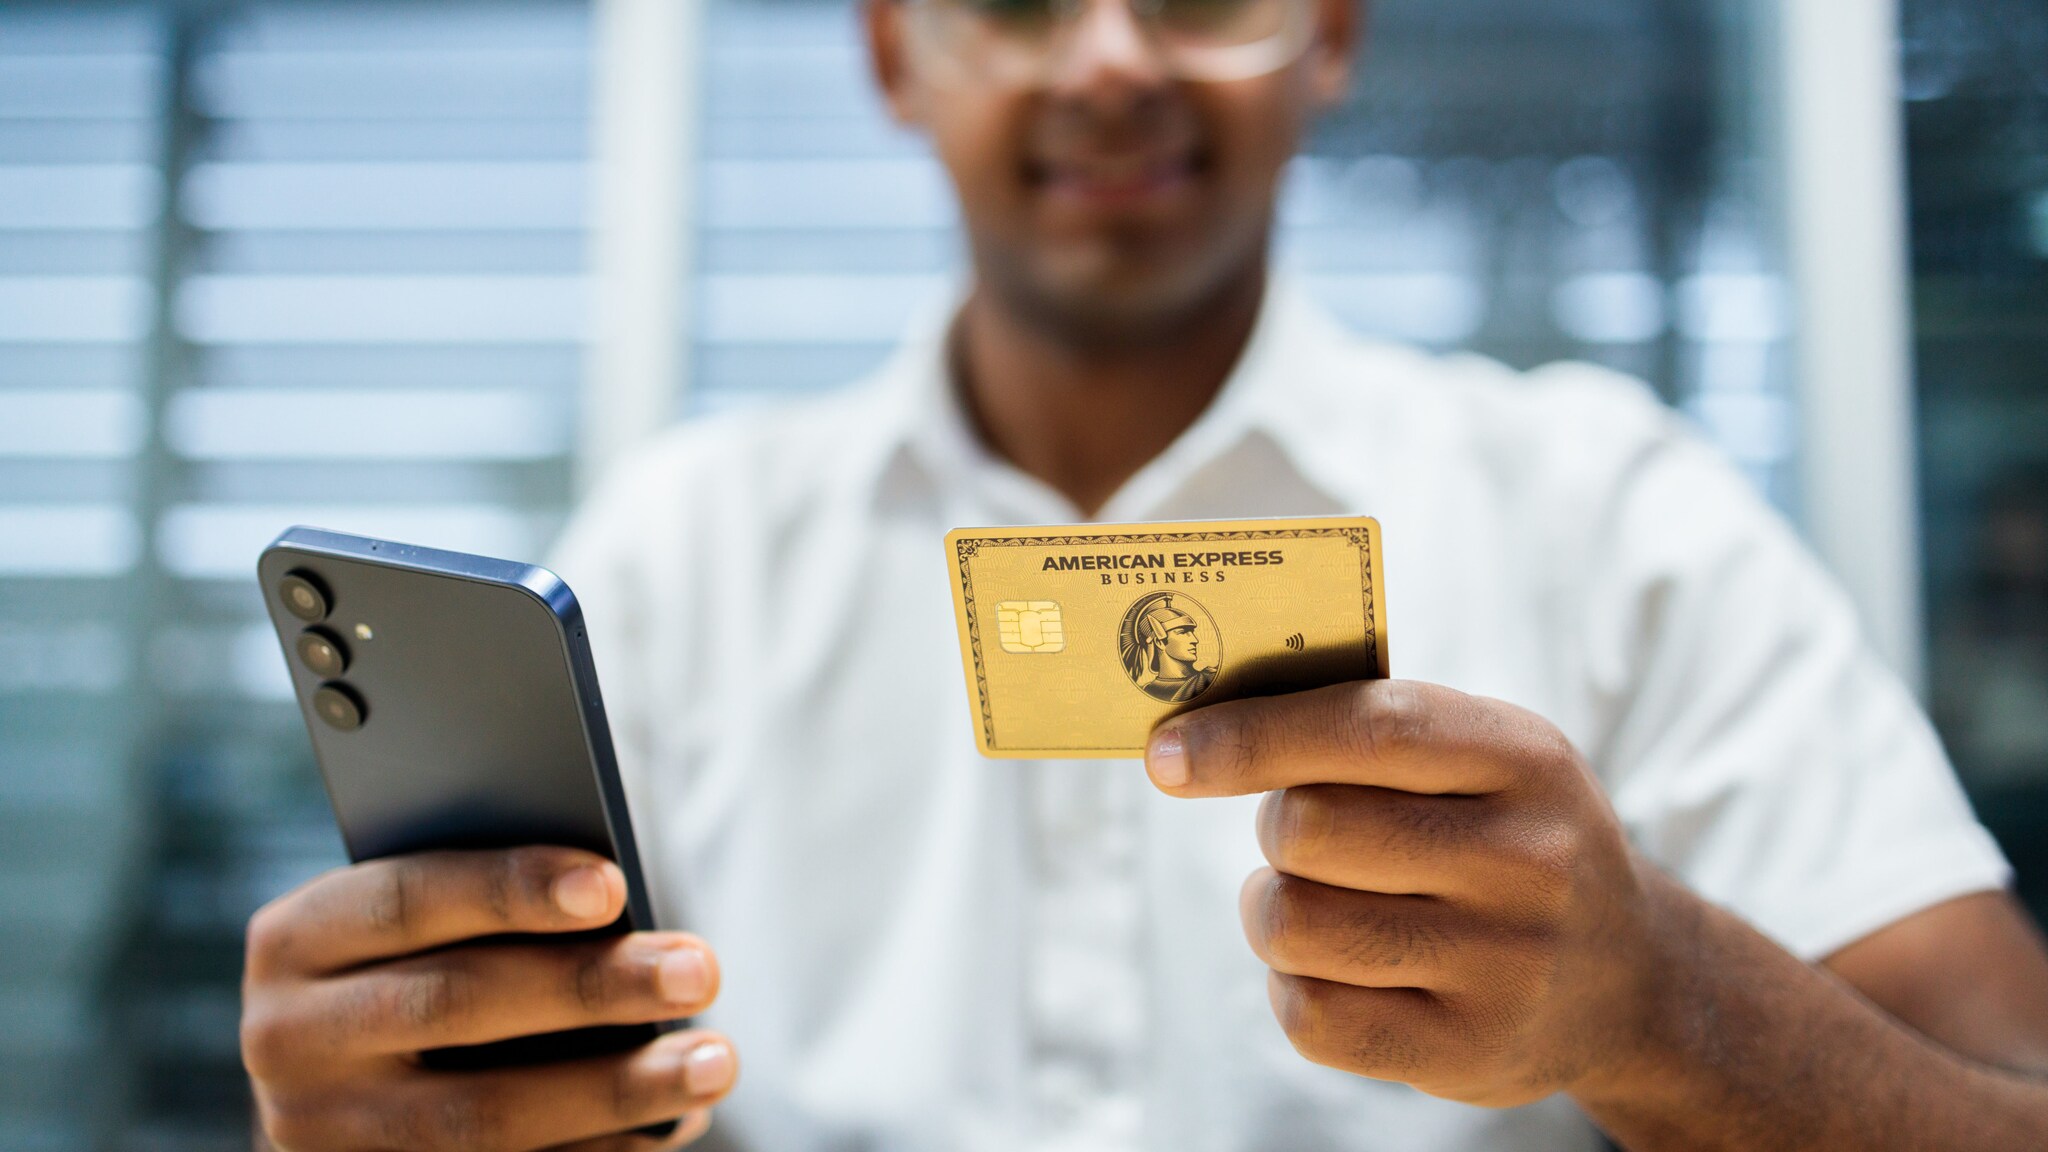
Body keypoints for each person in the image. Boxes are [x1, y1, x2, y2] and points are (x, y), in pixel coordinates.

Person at [238, 0, 2048, 1148]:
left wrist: (1668, 1005)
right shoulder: (674, 558)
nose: (1110, 54)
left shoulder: (1613, 512)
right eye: (1015, 2)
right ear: (892, 53)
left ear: (1330, 30)